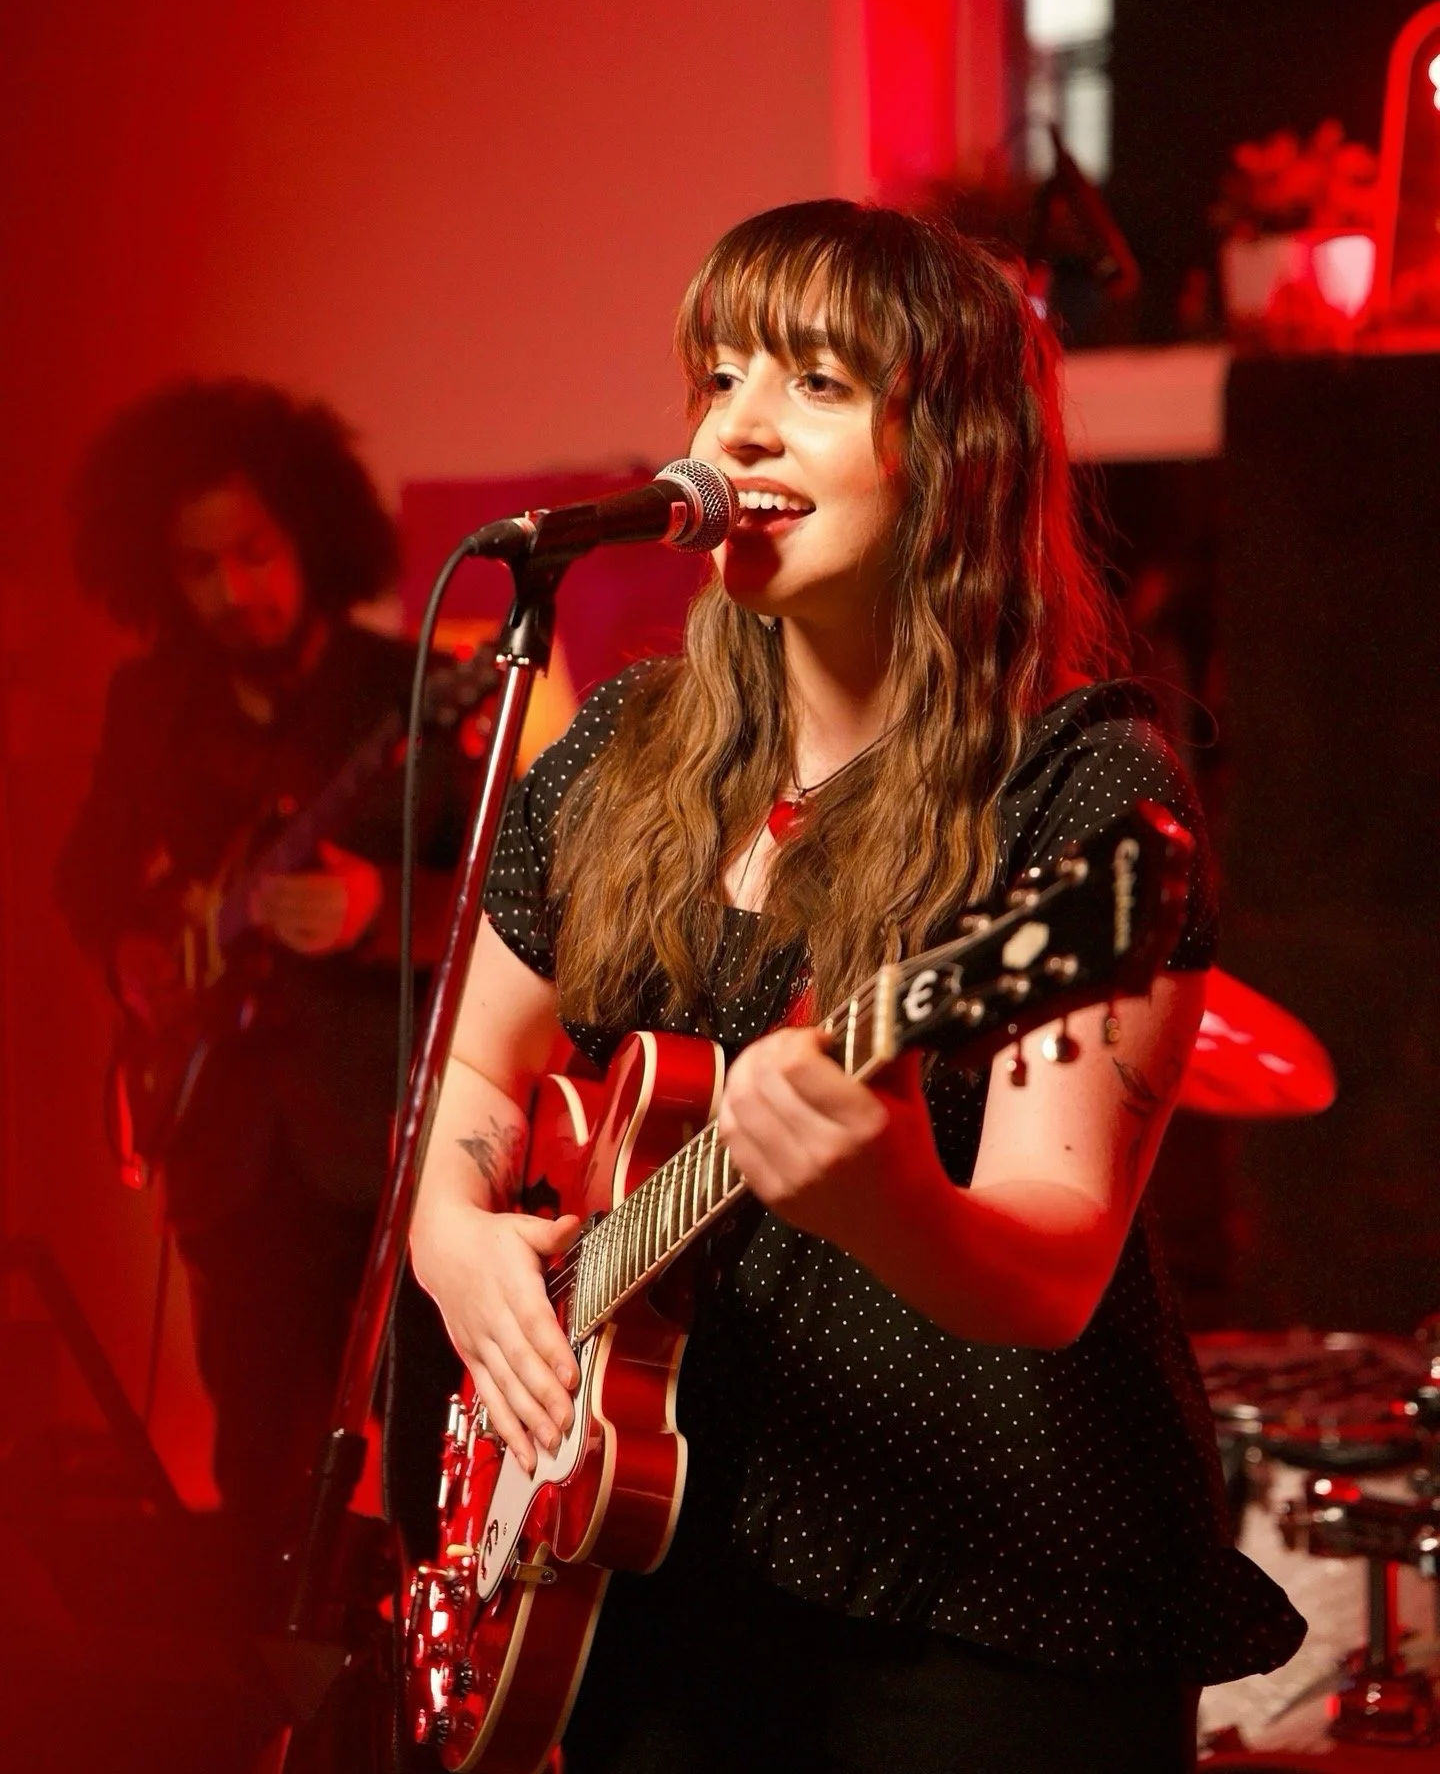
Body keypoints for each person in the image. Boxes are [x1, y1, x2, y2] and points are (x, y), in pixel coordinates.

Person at [408, 201, 1303, 1772]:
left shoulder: (1076, 796)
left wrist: (888, 1191)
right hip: (654, 1574)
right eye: (720, 375)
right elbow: (472, 1079)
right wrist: (455, 1243)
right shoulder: (618, 754)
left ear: (952, 451)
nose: (738, 425)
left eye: (816, 382)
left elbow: (1054, 1268)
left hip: (981, 1608)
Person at [56, 378, 474, 1580]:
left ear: (309, 537)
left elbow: (509, 909)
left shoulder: (405, 686)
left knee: (416, 1453)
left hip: (383, 1134)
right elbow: (84, 876)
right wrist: (140, 953)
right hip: (224, 1136)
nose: (233, 592)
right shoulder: (149, 705)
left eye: (254, 553)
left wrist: (378, 910)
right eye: (199, 568)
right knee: (253, 1462)